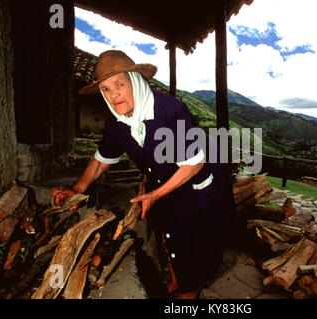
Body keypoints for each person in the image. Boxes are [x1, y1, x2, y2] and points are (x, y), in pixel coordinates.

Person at [51, 50, 235, 299]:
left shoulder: (169, 110)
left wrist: (154, 195)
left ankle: (187, 292)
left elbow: (194, 165)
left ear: (135, 81)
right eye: (106, 89)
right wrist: (77, 189)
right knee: (165, 230)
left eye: (120, 84)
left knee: (191, 235)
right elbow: (100, 161)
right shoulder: (117, 123)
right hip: (163, 182)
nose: (114, 94)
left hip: (193, 179)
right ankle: (174, 280)